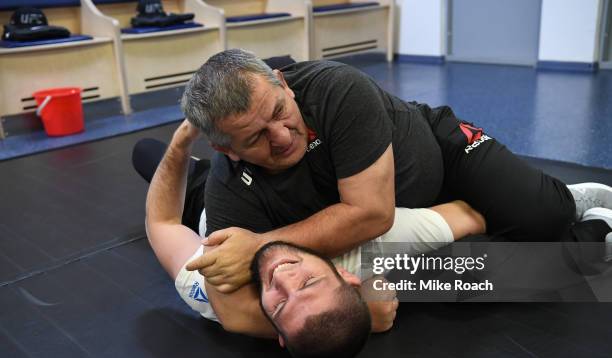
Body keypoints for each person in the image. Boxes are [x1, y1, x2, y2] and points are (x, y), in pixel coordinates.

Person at [175, 49, 611, 292]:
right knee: (473, 278)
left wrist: (260, 245)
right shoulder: (228, 184)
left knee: (545, 217)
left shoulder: (334, 88)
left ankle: (568, 199)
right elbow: (234, 299)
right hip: (392, 222)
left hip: (440, 153)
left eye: (279, 111)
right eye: (256, 138)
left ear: (283, 82)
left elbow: (370, 213)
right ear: (224, 149)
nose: (282, 136)